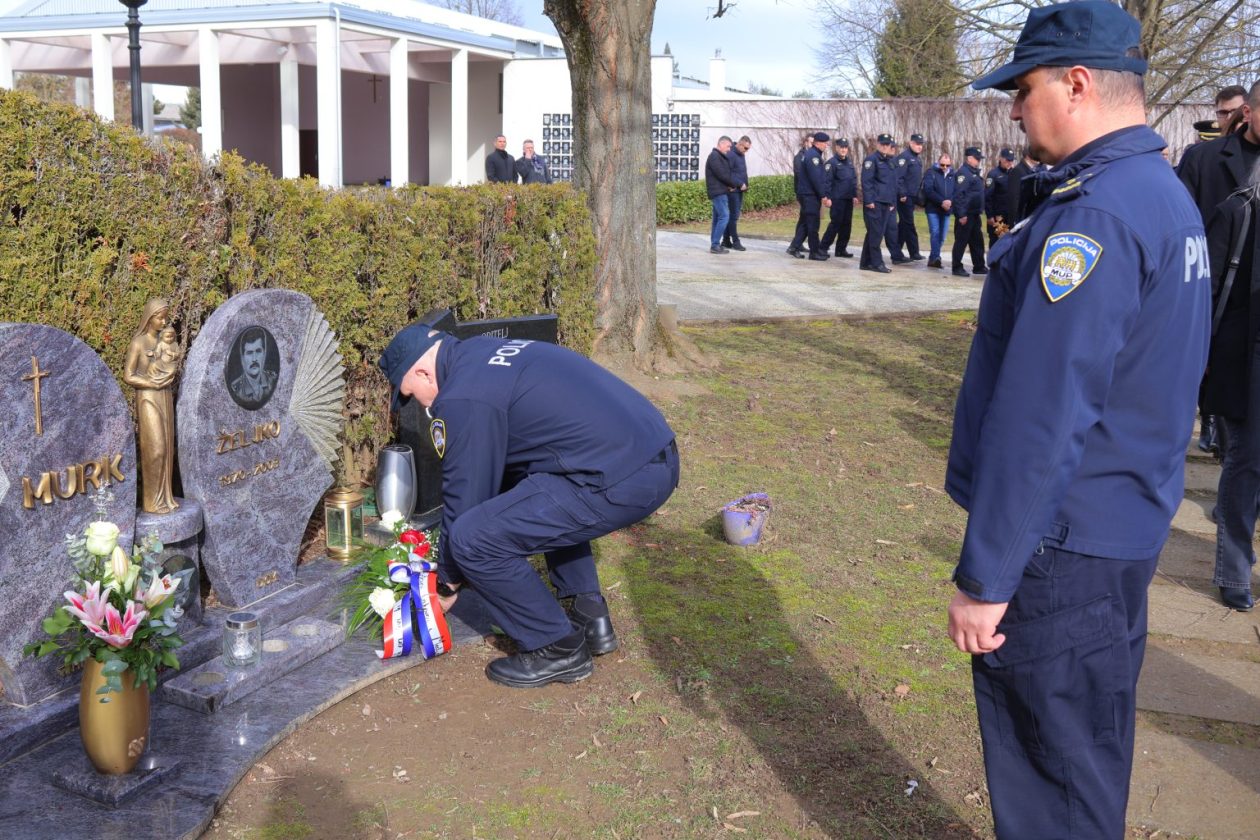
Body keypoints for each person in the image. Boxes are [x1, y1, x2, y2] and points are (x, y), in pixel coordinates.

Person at [945, 4, 1210, 838]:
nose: (1016, 109)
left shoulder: (1093, 216)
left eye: (1022, 90)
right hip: (1120, 525)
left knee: (1051, 771)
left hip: (1063, 547)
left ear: (1078, 83)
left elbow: (1045, 415)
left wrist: (987, 579)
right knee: (1086, 754)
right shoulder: (1158, 192)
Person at [378, 320, 679, 688]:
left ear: (423, 371)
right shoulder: (480, 354)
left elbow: (465, 500)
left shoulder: (462, 397)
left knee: (473, 538)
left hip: (623, 477)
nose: (421, 405)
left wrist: (447, 583)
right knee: (532, 495)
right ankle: (590, 617)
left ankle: (557, 648)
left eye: (411, 394)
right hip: (650, 454)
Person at [1196, 83, 1260, 610]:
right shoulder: (1212, 165)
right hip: (1240, 339)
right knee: (1246, 459)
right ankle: (1235, 573)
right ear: (1248, 113)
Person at [1178, 81, 1260, 457]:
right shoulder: (1203, 160)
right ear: (1249, 112)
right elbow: (1181, 230)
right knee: (1235, 432)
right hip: (1220, 299)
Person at [123, 299, 180, 515]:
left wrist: (167, 376)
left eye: (165, 317)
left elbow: (170, 363)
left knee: (167, 447)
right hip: (147, 397)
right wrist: (150, 383)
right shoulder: (138, 342)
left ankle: (165, 496)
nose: (164, 321)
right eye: (160, 317)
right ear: (149, 317)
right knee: (154, 448)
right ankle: (150, 501)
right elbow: (128, 375)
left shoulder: (164, 341)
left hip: (164, 395)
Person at [787, 132, 832, 260]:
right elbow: (816, 179)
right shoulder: (814, 157)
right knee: (812, 224)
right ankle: (814, 252)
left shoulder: (812, 154)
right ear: (818, 143)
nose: (826, 146)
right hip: (809, 195)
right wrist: (823, 195)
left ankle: (794, 247)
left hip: (808, 194)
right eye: (825, 143)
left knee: (806, 223)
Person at [859, 133, 898, 273]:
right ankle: (877, 263)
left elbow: (892, 184)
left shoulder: (890, 161)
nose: (885, 147)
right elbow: (866, 181)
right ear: (878, 144)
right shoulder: (872, 160)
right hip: (875, 203)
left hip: (886, 202)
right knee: (876, 234)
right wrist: (869, 200)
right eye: (883, 144)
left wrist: (893, 201)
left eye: (888, 144)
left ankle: (865, 262)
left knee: (874, 233)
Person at [950, 146, 987, 277]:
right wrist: (961, 214)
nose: (978, 161)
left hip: (974, 213)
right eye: (977, 159)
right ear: (969, 158)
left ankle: (979, 266)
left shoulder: (974, 172)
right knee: (961, 241)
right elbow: (959, 195)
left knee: (977, 241)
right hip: (966, 214)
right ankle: (956, 267)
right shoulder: (963, 173)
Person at [890, 133, 926, 263]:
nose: (919, 146)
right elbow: (899, 178)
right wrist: (902, 194)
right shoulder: (904, 158)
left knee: (904, 225)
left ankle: (898, 252)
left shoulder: (917, 159)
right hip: (904, 197)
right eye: (917, 144)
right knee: (908, 224)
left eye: (921, 144)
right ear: (910, 143)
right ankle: (912, 252)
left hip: (912, 197)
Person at [819, 137, 858, 257]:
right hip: (837, 199)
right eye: (841, 147)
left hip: (848, 199)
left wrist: (854, 195)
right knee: (836, 224)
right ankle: (823, 247)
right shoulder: (831, 163)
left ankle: (841, 249)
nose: (843, 149)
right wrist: (827, 197)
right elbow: (827, 182)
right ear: (837, 148)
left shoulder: (849, 162)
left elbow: (852, 181)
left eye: (845, 147)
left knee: (847, 225)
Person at [705, 136, 741, 254]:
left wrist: (729, 185)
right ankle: (715, 245)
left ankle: (714, 244)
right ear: (721, 144)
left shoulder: (718, 156)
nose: (729, 149)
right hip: (718, 192)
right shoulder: (715, 156)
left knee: (717, 218)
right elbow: (722, 174)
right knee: (725, 216)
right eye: (728, 146)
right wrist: (734, 184)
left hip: (720, 191)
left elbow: (723, 175)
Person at [229, 327, 277, 406]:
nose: (254, 359)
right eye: (249, 353)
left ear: (264, 354)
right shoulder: (237, 390)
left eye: (258, 351)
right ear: (242, 357)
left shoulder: (272, 380)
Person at [922, 152, 955, 268]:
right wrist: (942, 202)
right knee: (935, 232)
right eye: (942, 165)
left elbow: (956, 191)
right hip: (933, 209)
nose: (945, 167)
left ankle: (932, 258)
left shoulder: (953, 175)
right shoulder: (930, 173)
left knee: (942, 236)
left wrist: (950, 201)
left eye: (947, 165)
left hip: (947, 210)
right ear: (938, 163)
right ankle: (936, 257)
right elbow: (928, 190)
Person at [721, 135, 752, 251]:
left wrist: (745, 185)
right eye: (745, 148)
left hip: (739, 190)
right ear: (739, 144)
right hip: (733, 190)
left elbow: (741, 172)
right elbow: (728, 173)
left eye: (748, 148)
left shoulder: (740, 154)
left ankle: (725, 240)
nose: (746, 151)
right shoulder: (732, 154)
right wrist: (740, 183)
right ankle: (735, 241)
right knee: (733, 217)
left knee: (732, 217)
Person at [984, 147, 1016, 246]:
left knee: (1009, 243)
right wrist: (989, 215)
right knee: (998, 241)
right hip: (998, 217)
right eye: (1007, 160)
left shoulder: (1014, 173)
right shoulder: (993, 174)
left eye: (1011, 160)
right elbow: (987, 196)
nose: (1009, 162)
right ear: (1001, 159)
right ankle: (994, 262)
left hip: (1010, 216)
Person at [787, 134, 812, 258]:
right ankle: (794, 245)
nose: (812, 145)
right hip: (803, 192)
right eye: (810, 142)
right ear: (805, 143)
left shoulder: (812, 156)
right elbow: (799, 173)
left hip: (808, 192)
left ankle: (798, 242)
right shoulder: (799, 157)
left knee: (803, 218)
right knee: (805, 219)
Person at [1005, 147, 1041, 228]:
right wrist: (1015, 219)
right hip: (1020, 217)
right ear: (1028, 156)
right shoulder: (1018, 171)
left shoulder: (1035, 170)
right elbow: (1014, 197)